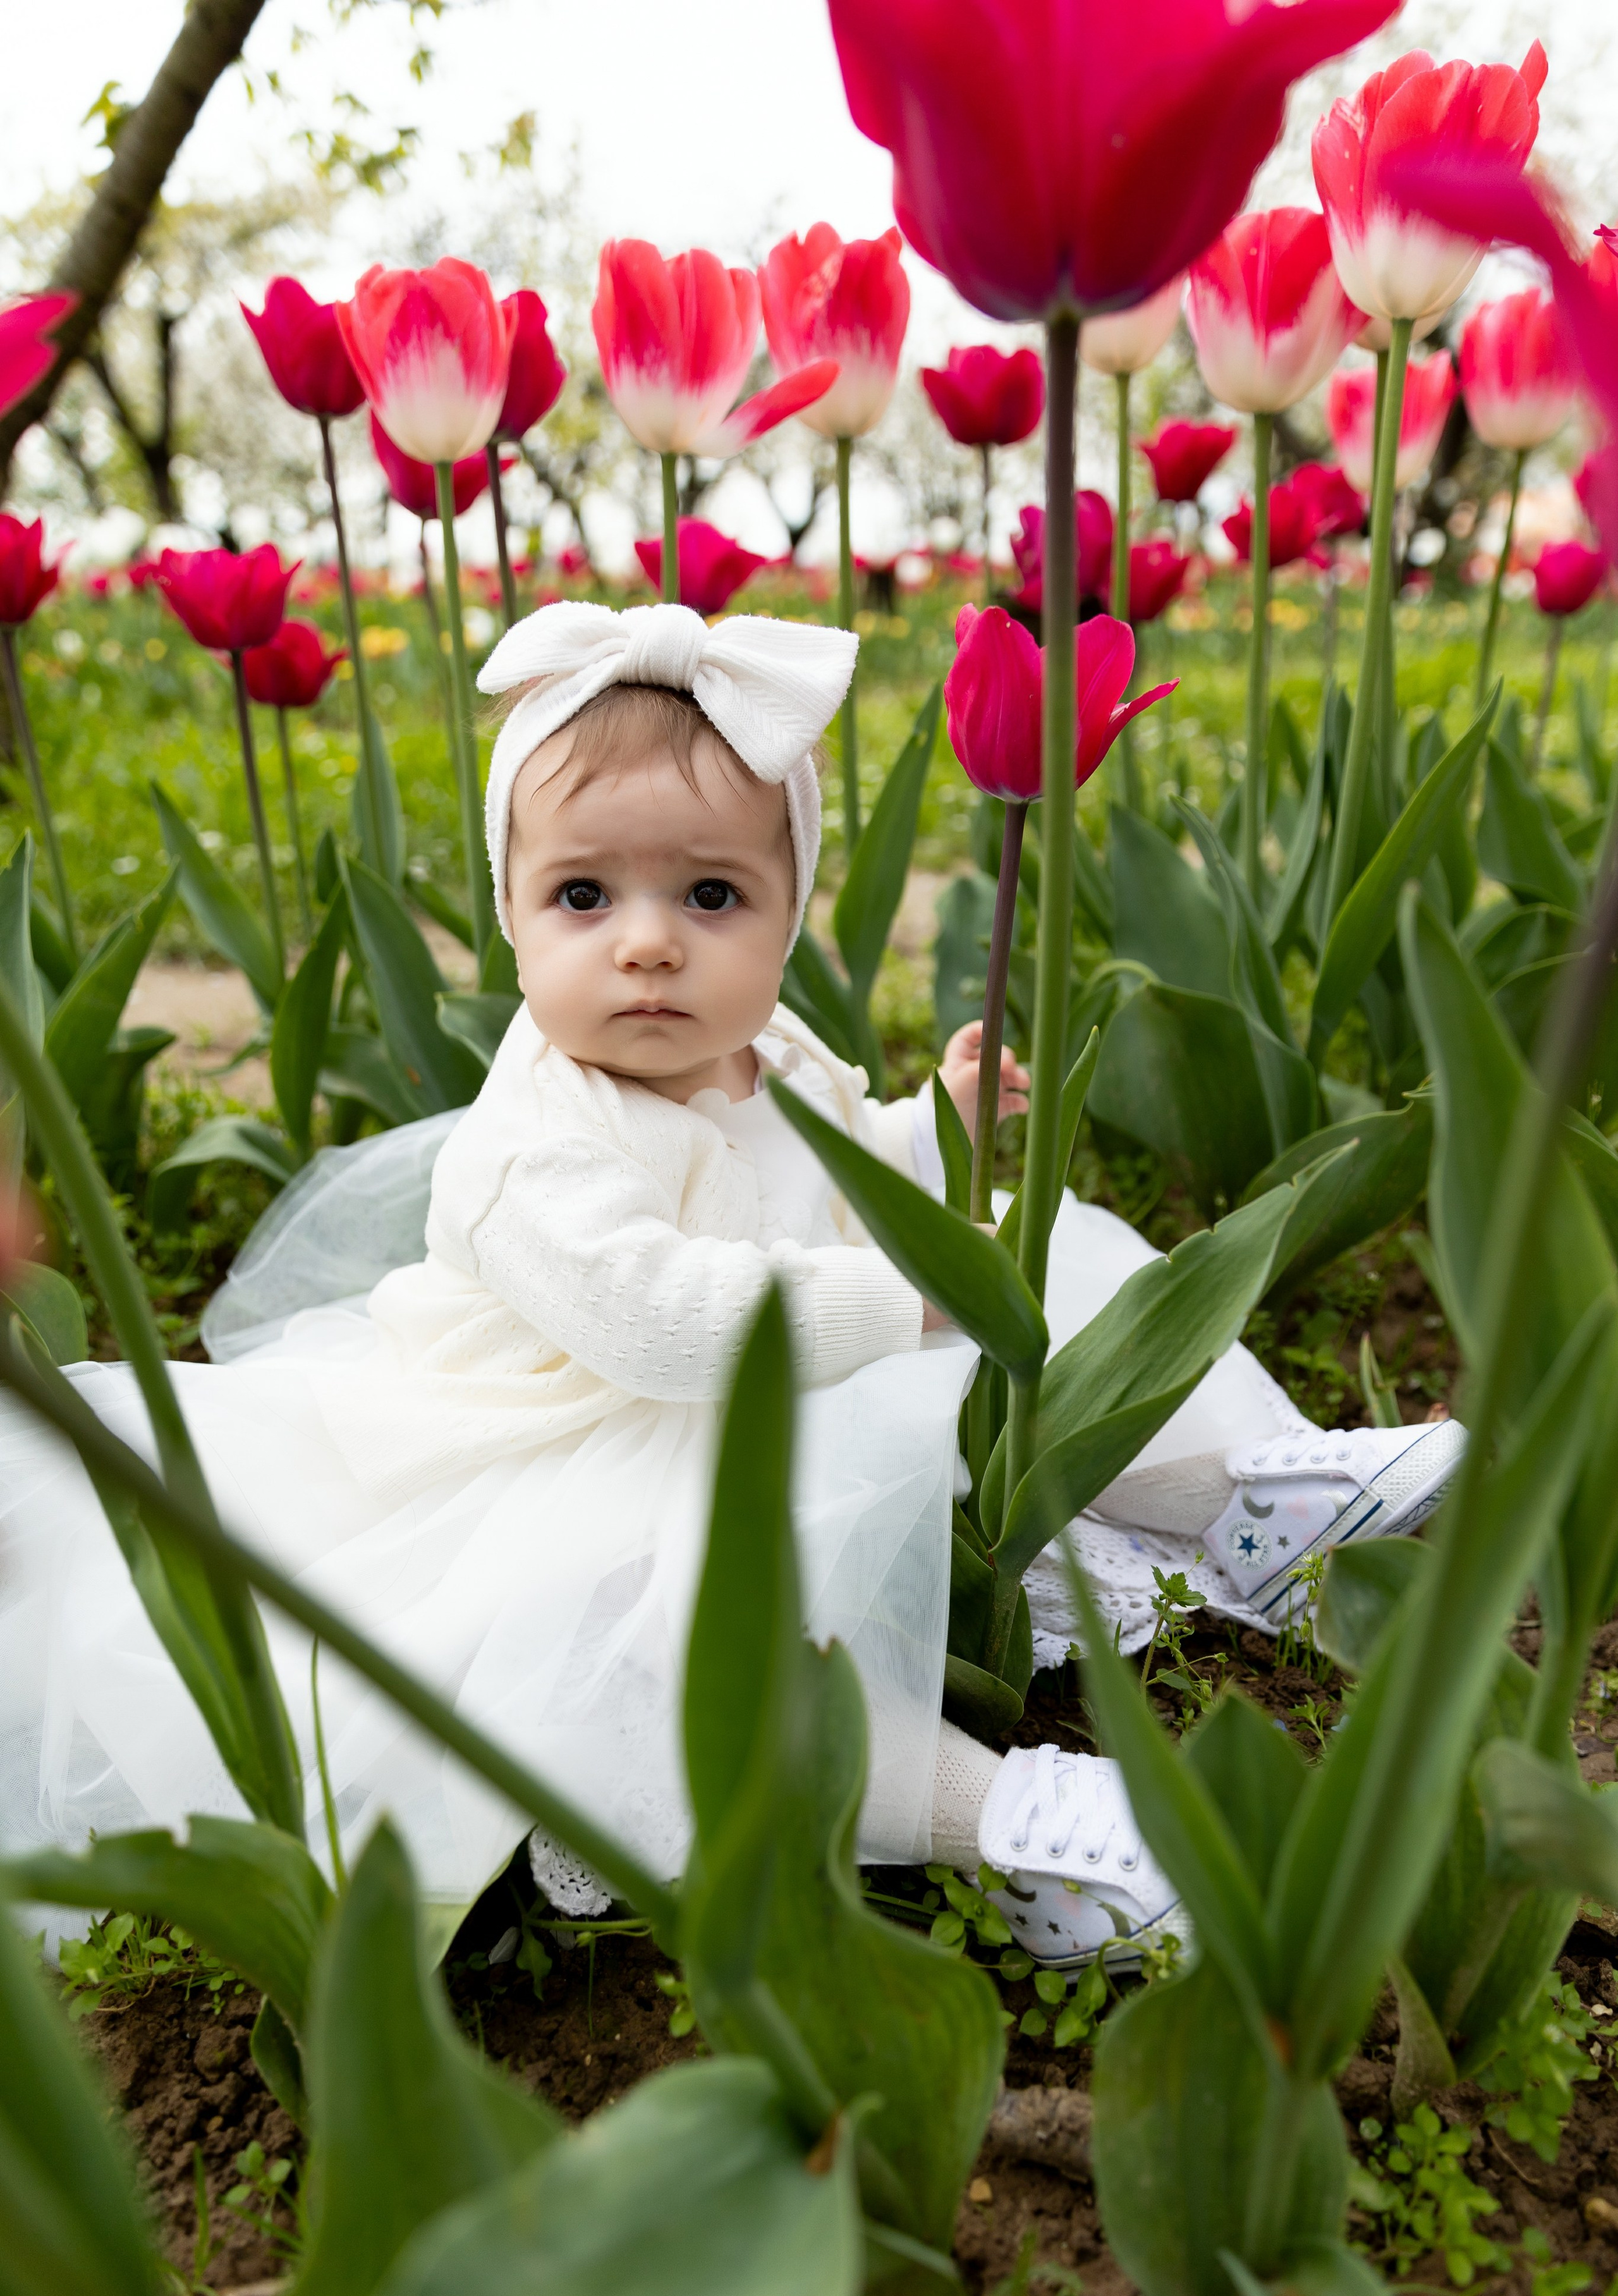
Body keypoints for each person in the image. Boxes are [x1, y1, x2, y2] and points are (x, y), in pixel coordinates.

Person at [0, 601, 1464, 1969]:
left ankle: (1235, 1506)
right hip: (579, 1451)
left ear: (787, 913)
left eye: (710, 894)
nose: (647, 941)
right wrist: (906, 1300)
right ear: (511, 914)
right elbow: (660, 1318)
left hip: (775, 1371)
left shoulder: (762, 1054)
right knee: (712, 1652)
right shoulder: (527, 1153)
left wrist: (932, 1139)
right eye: (582, 895)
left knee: (1023, 1288)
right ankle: (1016, 1826)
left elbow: (835, 1162)